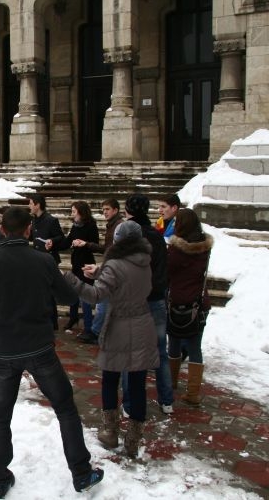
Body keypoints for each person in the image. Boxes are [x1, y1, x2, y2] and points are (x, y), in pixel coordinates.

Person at [0, 207, 104, 498]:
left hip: (4, 352)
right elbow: (66, 297)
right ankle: (81, 472)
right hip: (39, 348)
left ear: (1, 230)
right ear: (28, 231)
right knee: (65, 408)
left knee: (1, 417)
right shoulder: (42, 261)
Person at [65, 220, 159, 458]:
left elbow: (97, 296)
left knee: (110, 378)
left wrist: (73, 281)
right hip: (142, 323)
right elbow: (128, 281)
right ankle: (133, 441)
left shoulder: (115, 264)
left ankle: (110, 431)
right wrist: (100, 272)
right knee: (137, 384)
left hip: (119, 326)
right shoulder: (145, 261)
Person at [121, 194, 174, 415]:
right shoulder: (156, 235)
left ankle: (130, 403)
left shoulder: (128, 236)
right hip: (156, 299)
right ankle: (166, 400)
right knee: (160, 352)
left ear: (130, 211)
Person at [166, 208, 214, 407]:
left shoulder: (176, 250)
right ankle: (193, 392)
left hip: (177, 301)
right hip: (198, 302)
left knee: (174, 344)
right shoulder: (205, 248)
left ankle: (171, 382)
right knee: (195, 347)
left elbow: (167, 272)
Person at [81, 198, 123, 343]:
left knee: (102, 302)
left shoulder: (119, 226)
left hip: (112, 269)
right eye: (103, 209)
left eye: (107, 209)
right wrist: (87, 244)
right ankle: (97, 330)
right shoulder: (112, 225)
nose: (104, 212)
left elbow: (114, 251)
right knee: (102, 302)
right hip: (108, 266)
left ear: (116, 210)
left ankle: (96, 331)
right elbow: (107, 248)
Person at [57, 201, 99, 334]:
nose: (72, 214)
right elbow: (67, 242)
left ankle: (88, 327)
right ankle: (73, 318)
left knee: (85, 298)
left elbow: (95, 244)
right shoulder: (75, 226)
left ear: (81, 212)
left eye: (74, 211)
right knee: (73, 293)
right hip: (76, 264)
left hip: (86, 265)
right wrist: (53, 244)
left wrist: (84, 243)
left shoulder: (91, 226)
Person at [27, 194, 64, 330]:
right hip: (37, 259)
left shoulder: (51, 220)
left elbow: (61, 237)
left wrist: (52, 241)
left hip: (49, 260)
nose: (29, 206)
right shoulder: (34, 220)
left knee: (48, 293)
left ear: (37, 205)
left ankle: (52, 322)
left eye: (31, 203)